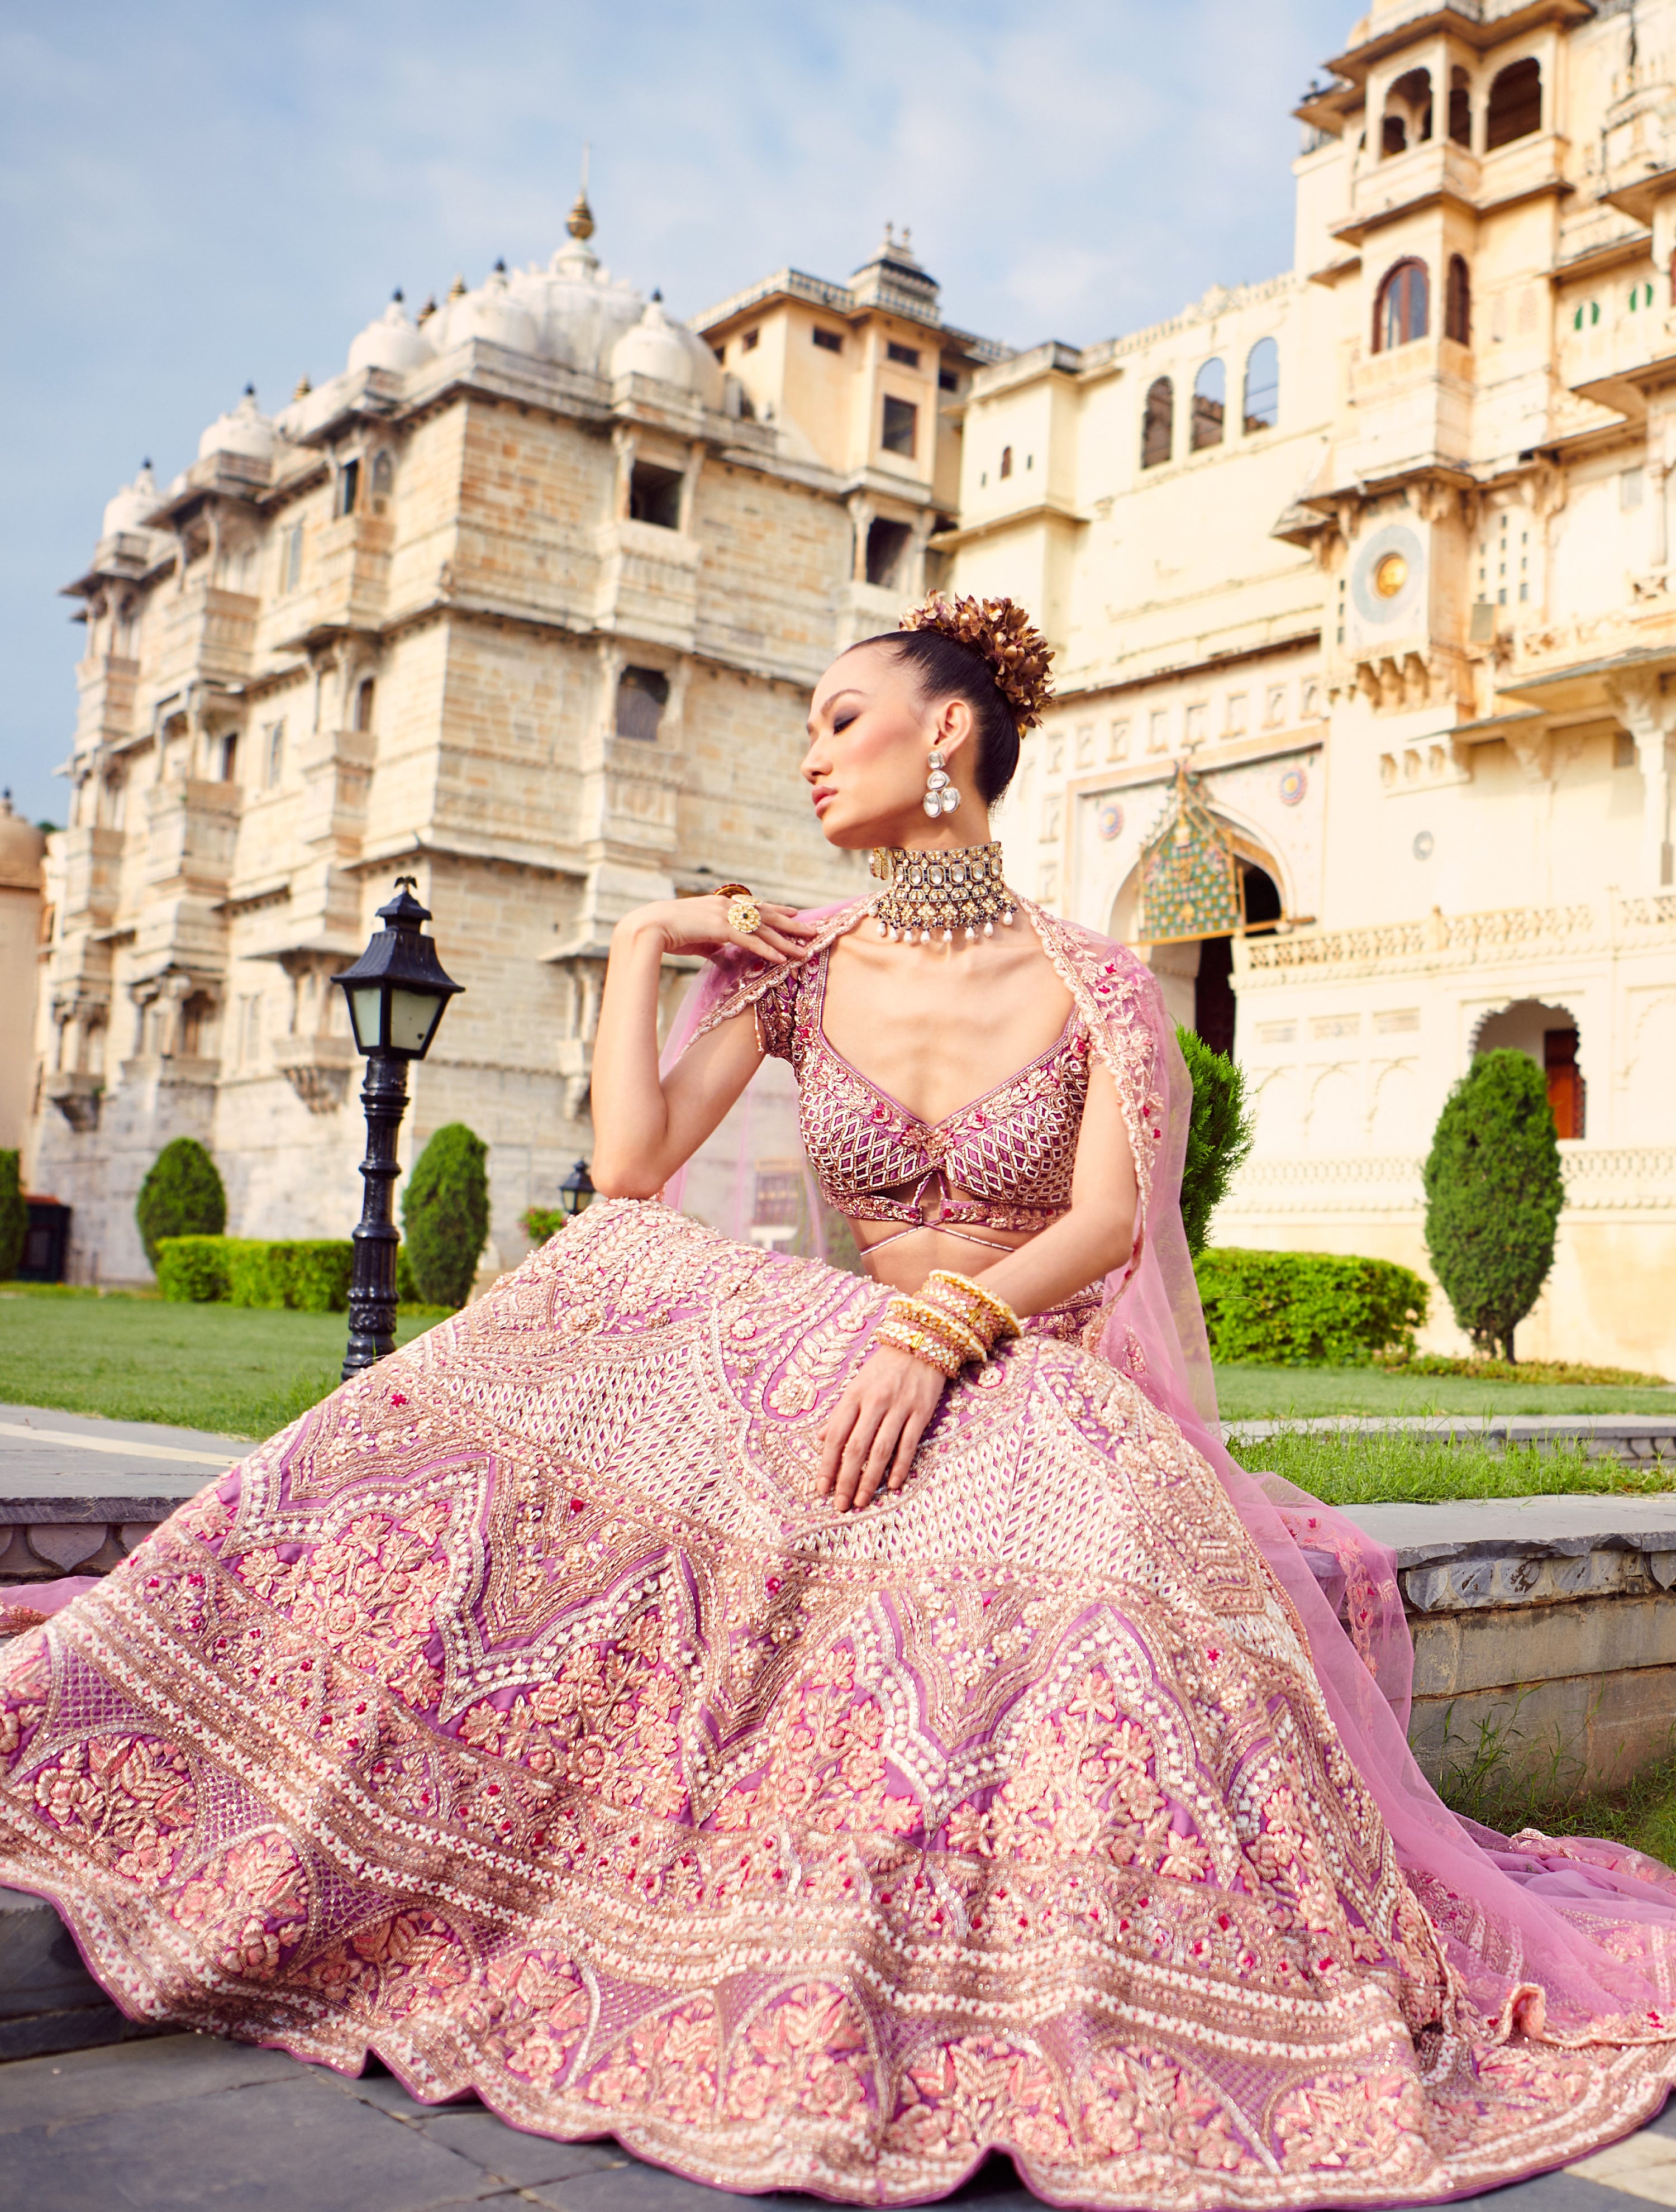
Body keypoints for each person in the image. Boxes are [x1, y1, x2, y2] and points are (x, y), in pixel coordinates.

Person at [2, 595, 1675, 2209]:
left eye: (840, 719)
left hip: (1019, 1369)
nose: (810, 756)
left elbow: (1105, 1224)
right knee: (606, 1273)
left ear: (947, 734)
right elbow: (639, 1171)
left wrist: (939, 1332)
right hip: (829, 1359)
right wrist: (658, 940)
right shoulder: (794, 969)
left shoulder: (1102, 983)